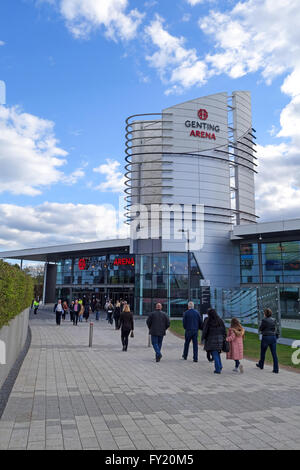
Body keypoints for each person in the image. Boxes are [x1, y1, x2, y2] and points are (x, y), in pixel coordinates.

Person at [201, 308, 226, 374]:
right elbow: (224, 330)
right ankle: (220, 366)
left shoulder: (208, 321)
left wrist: (203, 338)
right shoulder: (220, 320)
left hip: (211, 339)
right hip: (220, 339)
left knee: (214, 353)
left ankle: (217, 369)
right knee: (217, 353)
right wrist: (224, 337)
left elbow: (205, 331)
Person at [256, 308, 279, 374]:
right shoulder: (274, 320)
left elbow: (261, 328)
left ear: (265, 314)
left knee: (263, 352)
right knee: (274, 354)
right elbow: (275, 328)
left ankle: (261, 365)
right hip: (273, 337)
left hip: (266, 337)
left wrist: (262, 329)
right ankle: (276, 369)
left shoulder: (264, 320)